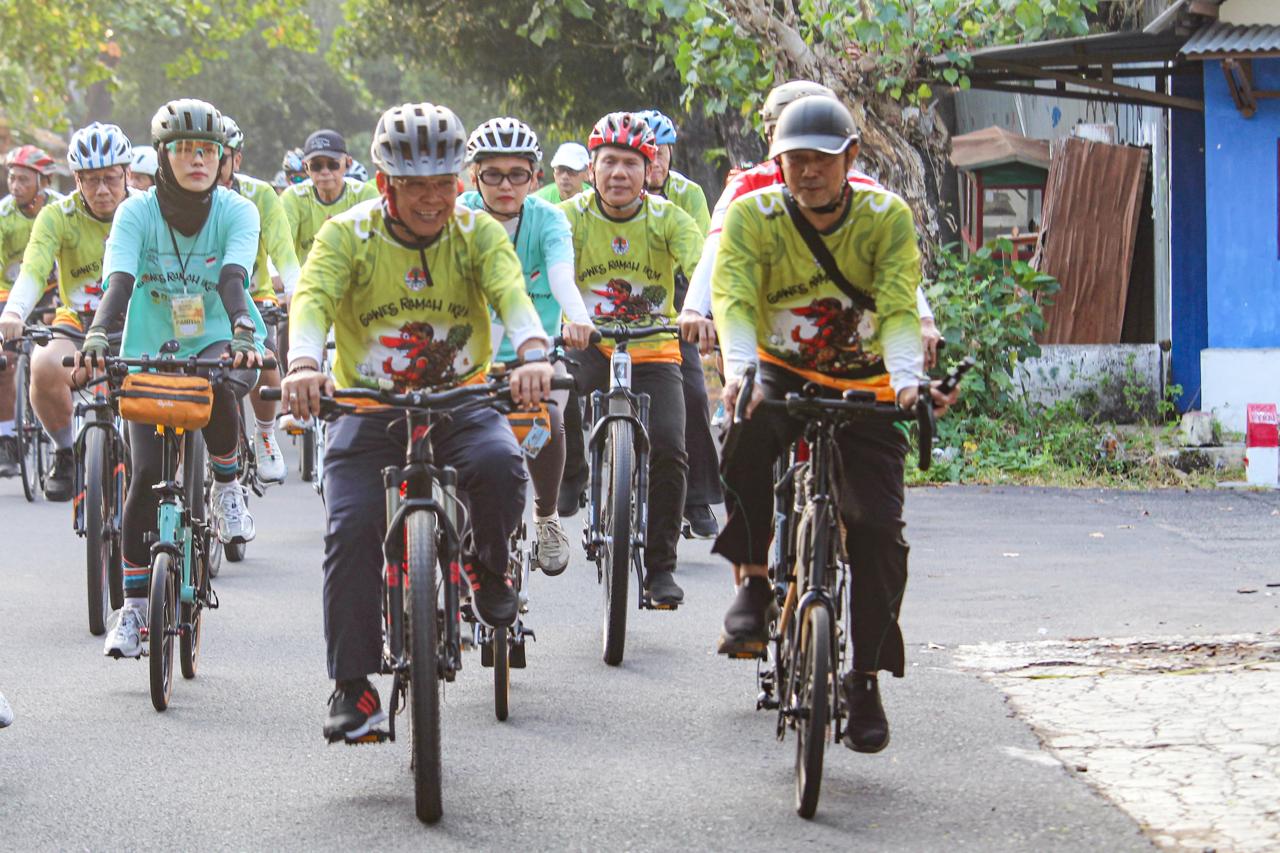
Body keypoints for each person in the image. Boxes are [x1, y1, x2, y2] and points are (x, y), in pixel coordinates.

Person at [280, 103, 554, 741]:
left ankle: (490, 567)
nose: (433, 199)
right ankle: (353, 689)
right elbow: (313, 299)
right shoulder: (347, 234)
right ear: (384, 184)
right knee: (350, 531)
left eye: (443, 183)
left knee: (502, 465)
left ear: (460, 181)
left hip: (460, 398)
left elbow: (512, 293)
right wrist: (301, 364)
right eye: (415, 185)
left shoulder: (478, 232)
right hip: (369, 404)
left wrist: (534, 355)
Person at [711, 95, 958, 754]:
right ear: (777, 163)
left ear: (851, 158)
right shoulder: (751, 216)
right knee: (742, 438)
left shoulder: (885, 217)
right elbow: (732, 297)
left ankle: (864, 676)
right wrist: (739, 370)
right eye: (795, 161)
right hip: (780, 370)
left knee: (877, 527)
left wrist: (907, 379)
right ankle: (756, 582)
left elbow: (901, 305)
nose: (808, 172)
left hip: (867, 380)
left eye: (822, 160)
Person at [80, 98, 266, 659]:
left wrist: (240, 333)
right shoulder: (135, 213)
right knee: (143, 479)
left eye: (206, 150)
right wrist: (95, 338)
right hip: (147, 347)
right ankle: (134, 611)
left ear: (220, 158)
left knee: (220, 383)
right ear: (161, 157)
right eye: (184, 149)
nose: (196, 160)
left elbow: (234, 280)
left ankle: (230, 488)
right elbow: (118, 283)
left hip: (218, 334)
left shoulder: (238, 211)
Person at [680, 80, 942, 371]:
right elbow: (717, 248)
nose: (809, 166)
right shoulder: (747, 189)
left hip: (847, 335)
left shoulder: (864, 191)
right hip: (769, 336)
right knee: (744, 399)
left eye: (821, 149)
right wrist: (694, 311)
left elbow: (894, 267)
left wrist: (923, 321)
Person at [557, 111, 703, 607]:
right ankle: (573, 475)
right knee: (560, 396)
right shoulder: (570, 217)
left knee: (669, 445)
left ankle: (660, 567)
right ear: (591, 168)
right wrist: (565, 318)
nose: (619, 174)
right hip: (590, 342)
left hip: (655, 344)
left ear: (650, 170)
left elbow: (701, 266)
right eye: (609, 162)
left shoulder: (668, 218)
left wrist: (700, 312)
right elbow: (549, 270)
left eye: (631, 164)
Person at [460, 116, 594, 576]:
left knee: (545, 421)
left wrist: (578, 318)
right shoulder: (458, 216)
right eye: (492, 174)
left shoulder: (549, 219)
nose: (504, 185)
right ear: (473, 177)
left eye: (517, 174)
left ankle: (547, 515)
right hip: (468, 361)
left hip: (534, 358)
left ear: (534, 177)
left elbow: (560, 276)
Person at [0, 124, 136, 501]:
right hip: (77, 321)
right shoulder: (57, 215)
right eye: (91, 181)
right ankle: (64, 450)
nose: (102, 190)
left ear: (127, 173)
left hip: (139, 321)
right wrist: (13, 312)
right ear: (76, 178)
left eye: (110, 178)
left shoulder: (146, 208)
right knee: (43, 366)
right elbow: (33, 268)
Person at [635, 108, 722, 539]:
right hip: (612, 317)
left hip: (672, 312)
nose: (653, 162)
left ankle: (698, 497)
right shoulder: (606, 190)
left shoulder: (687, 194)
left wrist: (698, 311)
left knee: (692, 392)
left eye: (661, 153)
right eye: (645, 153)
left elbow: (703, 258)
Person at [218, 114, 300, 483]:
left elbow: (282, 247)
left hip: (254, 297)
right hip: (198, 301)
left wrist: (296, 291)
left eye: (222, 155)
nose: (211, 162)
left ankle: (265, 432)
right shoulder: (184, 196)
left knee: (265, 359)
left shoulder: (260, 194)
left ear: (237, 159)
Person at [0, 144, 59, 477]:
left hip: (53, 293)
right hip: (9, 293)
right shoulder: (3, 216)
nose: (15, 186)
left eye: (23, 179)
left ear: (43, 181)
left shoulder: (60, 211)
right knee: (4, 363)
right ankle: (7, 438)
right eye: (12, 179)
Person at [281, 130, 378, 267]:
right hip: (308, 281)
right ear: (306, 167)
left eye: (333, 165)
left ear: (348, 163)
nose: (325, 172)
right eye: (316, 166)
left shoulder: (366, 195)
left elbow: (379, 244)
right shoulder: (293, 197)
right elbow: (282, 245)